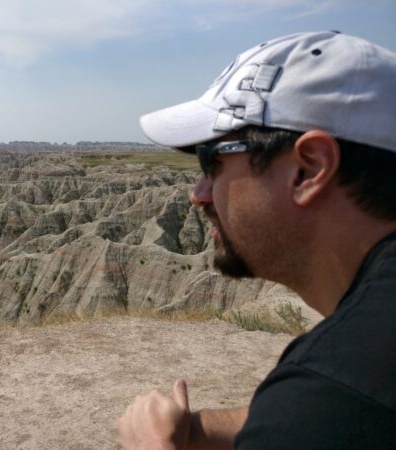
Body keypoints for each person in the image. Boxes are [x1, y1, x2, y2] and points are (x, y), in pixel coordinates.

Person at [117, 31, 396, 449]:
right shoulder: (350, 385)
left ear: (308, 169)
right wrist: (197, 430)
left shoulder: (340, 381)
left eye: (212, 161)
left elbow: (324, 413)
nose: (198, 193)